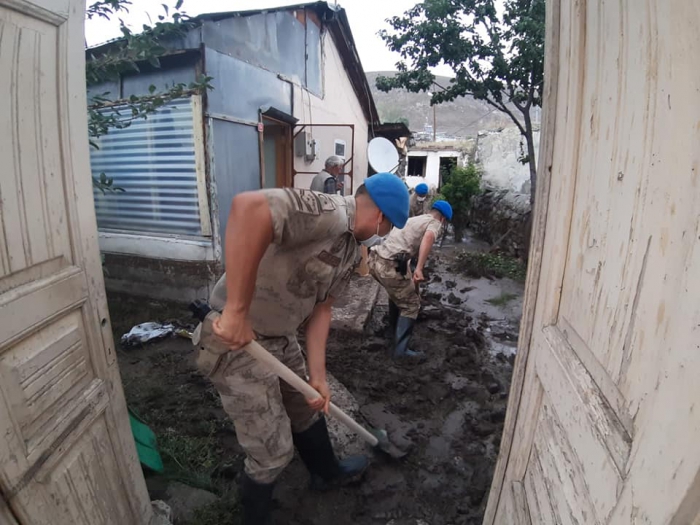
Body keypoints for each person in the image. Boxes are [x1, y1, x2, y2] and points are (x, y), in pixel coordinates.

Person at [198, 173, 409, 525]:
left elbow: (322, 310)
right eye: (388, 228)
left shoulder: (349, 248)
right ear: (380, 217)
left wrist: (319, 377)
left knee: (307, 407)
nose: (383, 235)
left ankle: (326, 473)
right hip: (237, 343)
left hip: (281, 338)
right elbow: (248, 209)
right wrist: (235, 312)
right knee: (272, 452)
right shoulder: (327, 213)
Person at [368, 200, 453, 359]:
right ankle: (401, 351)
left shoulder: (414, 219)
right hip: (388, 265)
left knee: (399, 294)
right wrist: (419, 268)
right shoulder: (434, 223)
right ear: (443, 219)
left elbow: (402, 250)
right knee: (412, 305)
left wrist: (411, 278)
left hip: (374, 260)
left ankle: (392, 332)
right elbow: (429, 237)